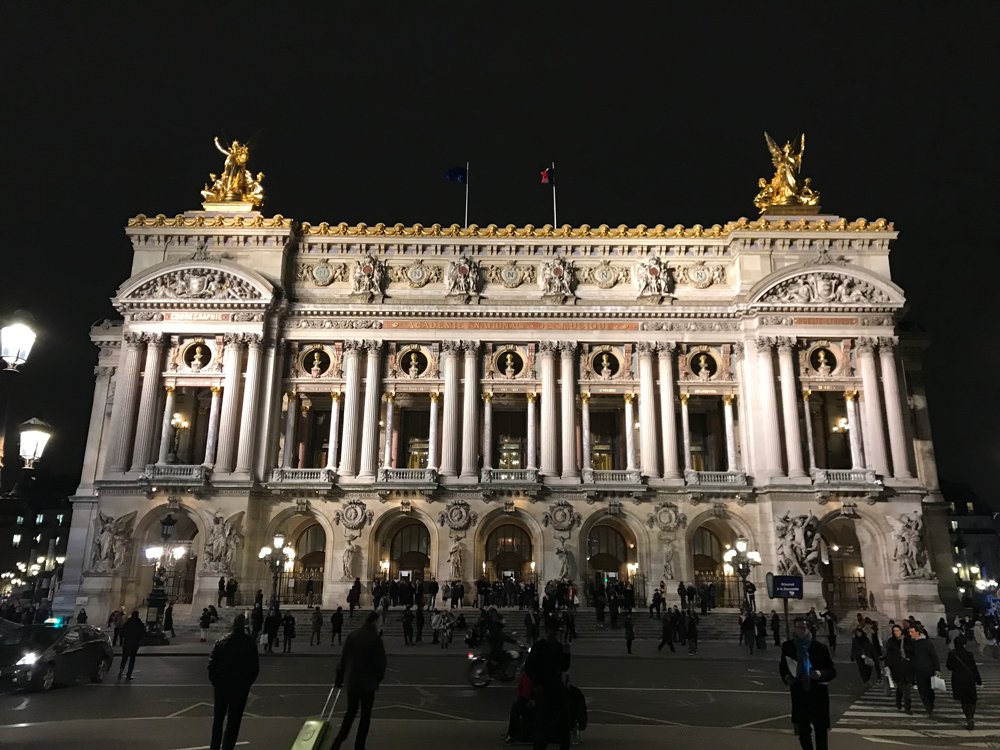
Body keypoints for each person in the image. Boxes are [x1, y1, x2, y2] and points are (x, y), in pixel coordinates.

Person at [332, 610, 387, 750]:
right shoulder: (375, 639)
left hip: (353, 680)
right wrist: (377, 678)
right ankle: (359, 745)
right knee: (365, 716)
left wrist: (339, 678)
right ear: (374, 621)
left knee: (350, 713)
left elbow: (343, 659)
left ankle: (338, 741)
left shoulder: (352, 635)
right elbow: (381, 663)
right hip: (368, 683)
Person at [780, 616, 837, 750]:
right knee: (803, 732)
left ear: (809, 628)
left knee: (821, 732)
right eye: (798, 627)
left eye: (803, 627)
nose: (800, 630)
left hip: (818, 693)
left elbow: (832, 671)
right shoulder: (788, 647)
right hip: (799, 692)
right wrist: (787, 677)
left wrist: (820, 674)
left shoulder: (820, 647)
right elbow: (783, 666)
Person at [208, 614, 260, 750]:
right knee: (234, 721)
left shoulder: (221, 641)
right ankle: (227, 747)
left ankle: (214, 747)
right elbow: (255, 668)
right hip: (240, 687)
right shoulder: (249, 642)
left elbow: (211, 666)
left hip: (222, 686)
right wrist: (247, 684)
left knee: (218, 720)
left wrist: (216, 683)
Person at [524, 617, 572, 749]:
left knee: (564, 718)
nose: (554, 633)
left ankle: (564, 745)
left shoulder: (558, 647)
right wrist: (536, 685)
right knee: (542, 722)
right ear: (546, 630)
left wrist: (567, 654)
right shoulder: (539, 647)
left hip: (555, 684)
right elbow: (529, 667)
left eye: (555, 630)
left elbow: (564, 667)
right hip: (544, 687)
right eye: (552, 630)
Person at [947, 635, 983, 730]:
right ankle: (971, 716)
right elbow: (973, 668)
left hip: (957, 678)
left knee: (963, 700)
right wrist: (978, 681)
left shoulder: (952, 654)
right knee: (971, 699)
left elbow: (949, 667)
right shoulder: (969, 654)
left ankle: (968, 716)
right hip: (969, 678)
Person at [909, 624, 940, 716]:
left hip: (928, 670)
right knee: (922, 691)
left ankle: (930, 705)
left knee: (929, 690)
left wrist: (936, 669)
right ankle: (928, 707)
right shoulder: (912, 644)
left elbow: (933, 656)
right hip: (918, 671)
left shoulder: (926, 643)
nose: (910, 634)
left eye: (912, 632)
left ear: (917, 633)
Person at [885, 624, 914, 714]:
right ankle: (898, 701)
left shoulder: (907, 640)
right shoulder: (891, 642)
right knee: (900, 688)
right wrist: (887, 665)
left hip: (908, 666)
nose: (896, 633)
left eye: (897, 631)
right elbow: (889, 655)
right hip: (897, 667)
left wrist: (910, 659)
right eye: (894, 631)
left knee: (908, 689)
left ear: (901, 631)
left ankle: (908, 708)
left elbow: (912, 651)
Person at [118, 610, 146, 681]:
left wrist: (126, 637)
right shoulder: (139, 623)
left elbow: (122, 632)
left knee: (124, 658)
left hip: (127, 642)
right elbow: (143, 633)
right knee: (132, 659)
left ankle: (121, 671)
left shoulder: (128, 623)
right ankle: (128, 674)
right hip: (135, 643)